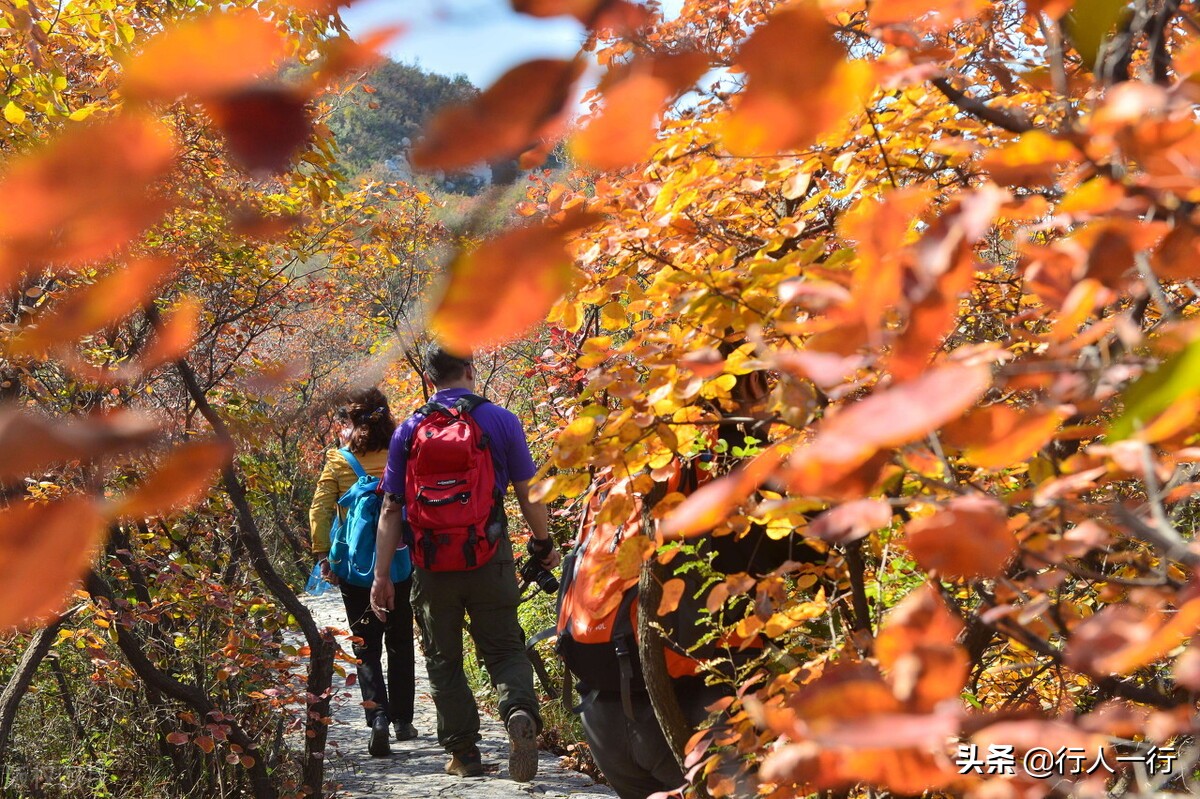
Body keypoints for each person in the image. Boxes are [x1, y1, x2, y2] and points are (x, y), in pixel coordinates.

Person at [370, 345, 560, 781]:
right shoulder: (500, 420)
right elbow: (528, 491)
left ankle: (463, 754)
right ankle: (517, 712)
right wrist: (543, 541)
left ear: (431, 377)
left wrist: (382, 575)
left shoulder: (410, 429)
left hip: (432, 565)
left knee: (443, 659)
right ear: (471, 371)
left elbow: (391, 508)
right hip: (490, 556)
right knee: (504, 647)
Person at [308, 387, 417, 758]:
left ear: (351, 422)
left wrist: (323, 555)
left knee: (366, 646)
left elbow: (320, 509)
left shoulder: (340, 461)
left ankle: (379, 718)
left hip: (354, 569)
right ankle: (404, 720)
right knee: (401, 640)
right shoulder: (401, 453)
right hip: (400, 562)